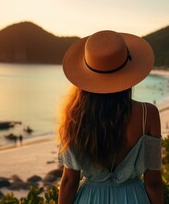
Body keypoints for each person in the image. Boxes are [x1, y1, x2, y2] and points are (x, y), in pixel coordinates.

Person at [58, 30, 163, 204]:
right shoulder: (148, 114)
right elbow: (153, 182)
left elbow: (69, 182)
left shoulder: (74, 118)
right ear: (129, 73)